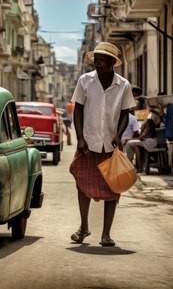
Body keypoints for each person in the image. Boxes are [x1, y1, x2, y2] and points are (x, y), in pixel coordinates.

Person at [69, 42, 136, 247]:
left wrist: (118, 135)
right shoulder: (85, 81)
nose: (97, 62)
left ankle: (106, 234)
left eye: (102, 59)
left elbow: (125, 113)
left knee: (112, 190)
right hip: (88, 143)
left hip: (110, 145)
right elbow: (78, 109)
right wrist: (80, 137)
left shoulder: (123, 85)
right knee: (82, 184)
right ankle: (83, 227)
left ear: (112, 62)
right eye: (96, 58)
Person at [125, 108, 162, 172]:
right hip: (147, 141)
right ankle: (134, 166)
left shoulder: (149, 122)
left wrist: (129, 139)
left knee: (129, 144)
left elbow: (141, 137)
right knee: (135, 145)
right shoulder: (149, 122)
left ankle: (131, 165)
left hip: (149, 142)